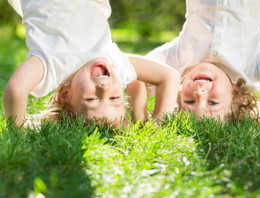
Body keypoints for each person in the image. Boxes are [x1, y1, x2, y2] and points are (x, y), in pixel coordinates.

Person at [3, 0, 180, 127]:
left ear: (64, 95)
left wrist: (18, 130)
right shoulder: (114, 64)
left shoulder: (52, 67)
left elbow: (16, 90)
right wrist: (158, 125)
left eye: (92, 99)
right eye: (115, 98)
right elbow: (169, 77)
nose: (104, 87)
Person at [146, 0, 260, 122]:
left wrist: (140, 116)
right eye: (212, 103)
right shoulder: (251, 66)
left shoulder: (180, 56)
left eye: (189, 102)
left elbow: (134, 74)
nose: (199, 94)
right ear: (236, 95)